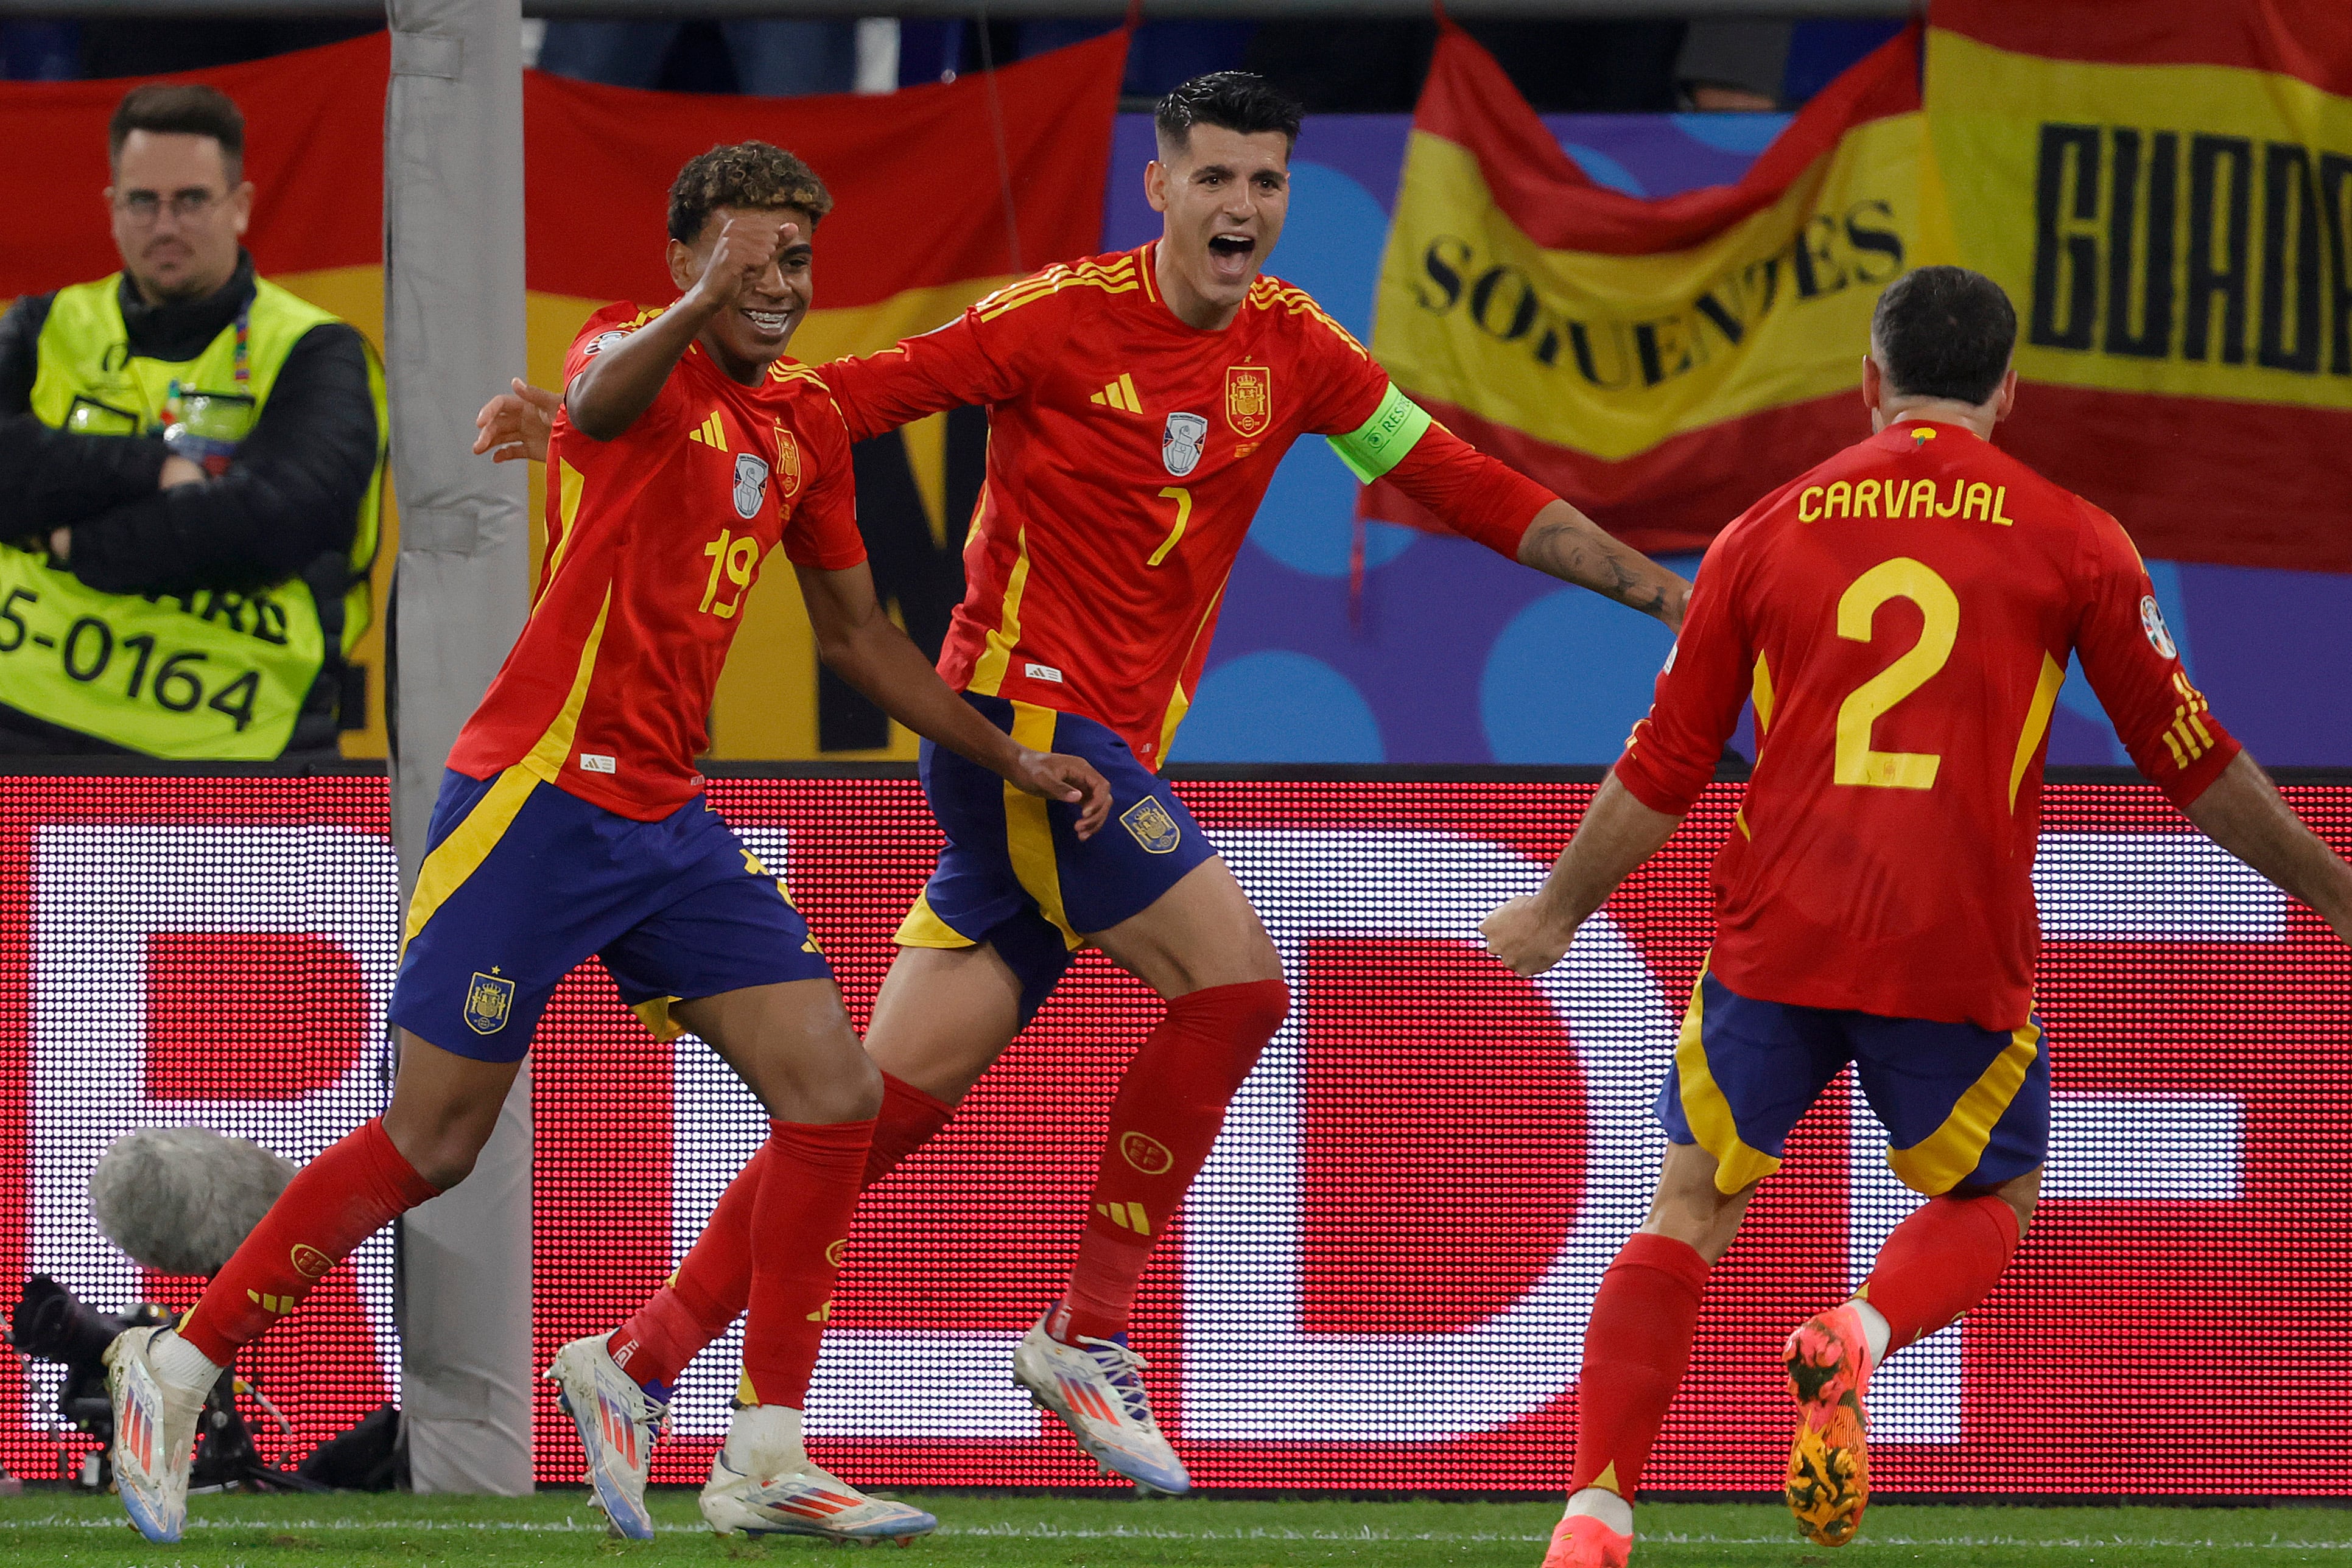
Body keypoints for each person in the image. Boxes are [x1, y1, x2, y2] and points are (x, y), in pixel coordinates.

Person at [477, 69, 1691, 1505]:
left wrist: (1658, 591)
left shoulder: (1296, 354)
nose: (1241, 207)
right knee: (1237, 986)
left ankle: (643, 1354)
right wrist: (587, 412)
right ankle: (1085, 1329)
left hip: (1097, 752)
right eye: (1215, 179)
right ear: (1158, 189)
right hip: (1022, 731)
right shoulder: (1051, 319)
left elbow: (1455, 483)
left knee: (877, 1107)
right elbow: (845, 397)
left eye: (1265, 182)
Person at [102, 140, 1109, 1549]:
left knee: (832, 1092)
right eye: (751, 257)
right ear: (686, 261)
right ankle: (178, 1364)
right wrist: (699, 305)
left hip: (663, 822)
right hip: (532, 801)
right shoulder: (627, 358)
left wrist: (1003, 751)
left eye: (795, 264)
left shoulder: (802, 426)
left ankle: (762, 1449)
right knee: (433, 1141)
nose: (778, 286)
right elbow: (596, 393)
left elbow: (857, 636)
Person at [1476, 266, 2352, 1568]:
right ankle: (1859, 1333)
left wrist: (1554, 908)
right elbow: (2190, 759)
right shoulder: (2073, 536)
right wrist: (2337, 895)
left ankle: (1591, 1518)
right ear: (2009, 391)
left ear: (1866, 381)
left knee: (1684, 1206)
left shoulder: (1761, 531)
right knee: (1999, 1190)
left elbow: (1664, 760)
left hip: (1780, 928)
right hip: (1950, 938)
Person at [0, 83, 384, 758]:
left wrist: (72, 544)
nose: (166, 224)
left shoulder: (316, 348)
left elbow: (282, 519)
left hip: (238, 757)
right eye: (143, 201)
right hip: (23, 735)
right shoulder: (42, 325)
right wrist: (155, 468)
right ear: (113, 210)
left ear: (240, 208)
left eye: (192, 200)